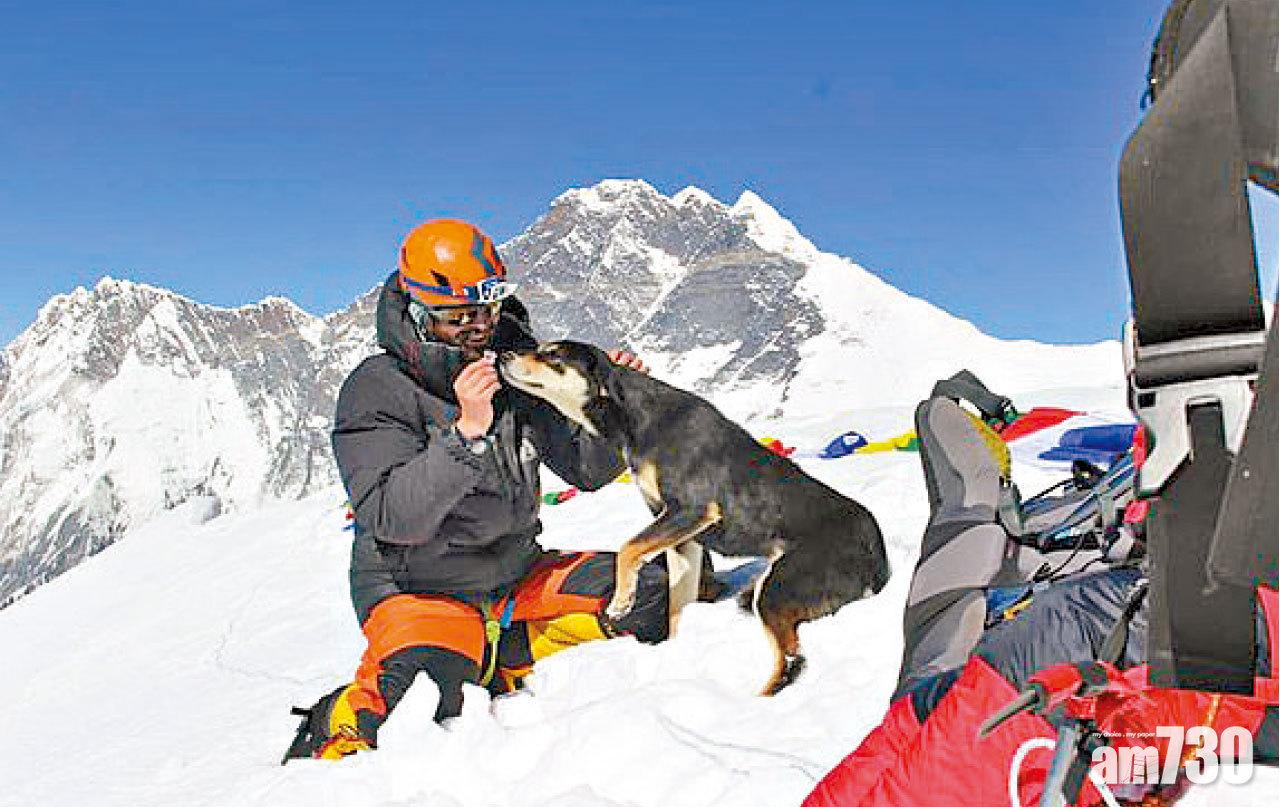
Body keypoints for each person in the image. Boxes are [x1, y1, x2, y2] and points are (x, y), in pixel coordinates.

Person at [283, 219, 675, 762]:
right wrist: (466, 433)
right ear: (420, 312)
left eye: (486, 310)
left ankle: (499, 653)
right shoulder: (376, 389)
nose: (479, 327)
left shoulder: (517, 365)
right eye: (458, 316)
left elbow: (585, 470)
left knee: (658, 591)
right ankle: (345, 714)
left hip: (515, 575)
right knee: (423, 708)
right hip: (416, 587)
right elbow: (392, 516)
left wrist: (614, 409)